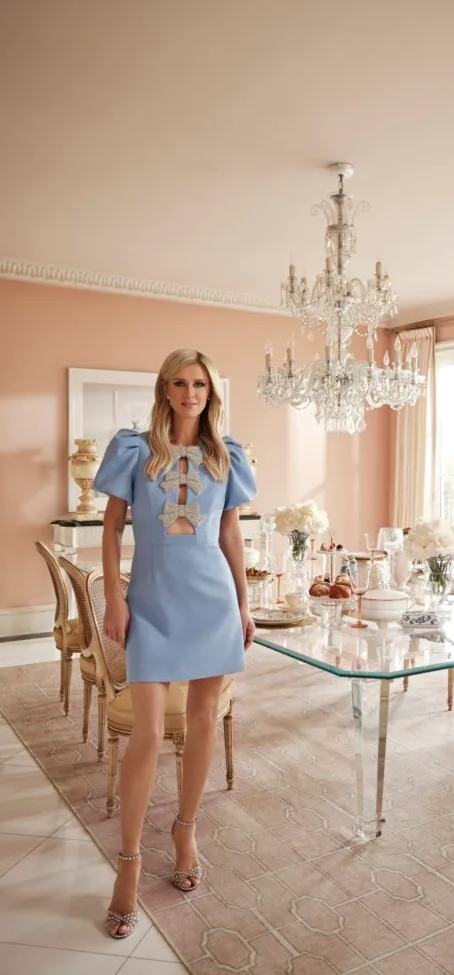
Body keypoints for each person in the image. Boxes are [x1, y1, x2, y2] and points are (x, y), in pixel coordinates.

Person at [93, 348, 257, 939]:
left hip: (212, 599)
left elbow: (232, 532)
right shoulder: (133, 450)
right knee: (147, 733)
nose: (192, 393)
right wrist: (116, 598)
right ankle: (130, 862)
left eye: (201, 384)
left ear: (211, 393)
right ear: (165, 390)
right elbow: (111, 529)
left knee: (204, 720)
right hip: (154, 601)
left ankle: (186, 830)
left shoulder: (225, 455)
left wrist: (243, 603)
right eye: (181, 383)